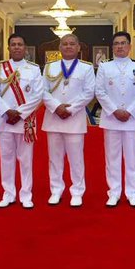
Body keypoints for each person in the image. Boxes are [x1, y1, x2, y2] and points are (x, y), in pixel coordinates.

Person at [0, 33, 43, 209]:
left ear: (25, 48)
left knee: (26, 160)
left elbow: (38, 95)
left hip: (24, 121)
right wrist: (6, 111)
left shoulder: (34, 69)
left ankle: (26, 194)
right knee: (6, 158)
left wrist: (19, 113)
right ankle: (8, 193)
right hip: (4, 120)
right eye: (13, 44)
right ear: (8, 48)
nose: (17, 47)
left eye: (20, 44)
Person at [95, 31, 135, 207]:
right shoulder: (105, 67)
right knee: (112, 158)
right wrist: (115, 111)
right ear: (112, 47)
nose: (120, 46)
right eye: (116, 43)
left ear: (129, 46)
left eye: (123, 43)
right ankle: (114, 192)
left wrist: (130, 111)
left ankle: (132, 193)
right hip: (112, 119)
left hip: (132, 119)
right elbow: (99, 91)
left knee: (132, 158)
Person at [42, 34, 95, 207]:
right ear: (59, 47)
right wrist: (56, 107)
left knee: (76, 159)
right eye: (64, 44)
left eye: (72, 43)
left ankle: (77, 191)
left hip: (75, 119)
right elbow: (43, 91)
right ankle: (56, 190)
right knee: (54, 158)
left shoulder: (86, 68)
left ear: (78, 47)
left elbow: (89, 92)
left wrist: (70, 109)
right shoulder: (50, 67)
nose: (68, 46)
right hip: (53, 118)